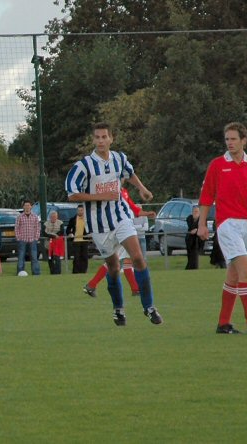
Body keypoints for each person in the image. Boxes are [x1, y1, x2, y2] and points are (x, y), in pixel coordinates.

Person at [66, 122, 163, 326]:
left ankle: (149, 306)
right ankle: (118, 309)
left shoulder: (119, 158)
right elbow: (72, 194)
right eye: (97, 137)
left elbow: (130, 173)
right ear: (93, 140)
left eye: (104, 137)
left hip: (120, 217)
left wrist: (142, 189)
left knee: (137, 257)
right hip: (98, 225)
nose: (101, 141)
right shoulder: (83, 166)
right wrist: (100, 195)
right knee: (112, 266)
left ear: (111, 139)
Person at [197, 122, 247, 335]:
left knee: (233, 276)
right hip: (227, 224)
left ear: (244, 140)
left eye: (233, 139)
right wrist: (202, 223)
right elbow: (206, 196)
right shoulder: (218, 165)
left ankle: (223, 323)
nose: (229, 143)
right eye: (227, 139)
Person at [83, 188, 155, 299]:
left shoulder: (124, 191)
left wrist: (146, 213)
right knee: (114, 261)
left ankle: (135, 289)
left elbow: (134, 209)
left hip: (126, 230)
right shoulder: (110, 190)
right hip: (119, 232)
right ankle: (91, 285)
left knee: (125, 261)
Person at [15, 199, 41, 276]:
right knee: (21, 257)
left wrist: (36, 238)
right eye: (25, 205)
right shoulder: (19, 217)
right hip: (22, 240)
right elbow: (16, 228)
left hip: (32, 240)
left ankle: (36, 273)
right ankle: (20, 272)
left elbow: (37, 228)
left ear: (31, 206)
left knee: (34, 258)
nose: (27, 207)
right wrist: (18, 238)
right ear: (23, 207)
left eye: (28, 205)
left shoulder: (35, 217)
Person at [65, 204, 90, 274]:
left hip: (85, 240)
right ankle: (76, 272)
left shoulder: (87, 219)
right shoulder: (73, 219)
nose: (80, 212)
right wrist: (70, 233)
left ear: (84, 211)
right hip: (76, 240)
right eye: (79, 210)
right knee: (76, 257)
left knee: (84, 257)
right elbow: (68, 229)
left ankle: (84, 271)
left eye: (81, 210)